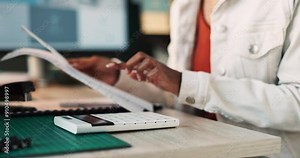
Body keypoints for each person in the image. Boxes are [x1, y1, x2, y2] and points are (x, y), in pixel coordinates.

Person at [69, 0, 300, 157]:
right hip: (194, 149)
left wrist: (183, 83)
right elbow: (179, 98)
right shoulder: (184, 5)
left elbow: (296, 104)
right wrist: (118, 78)